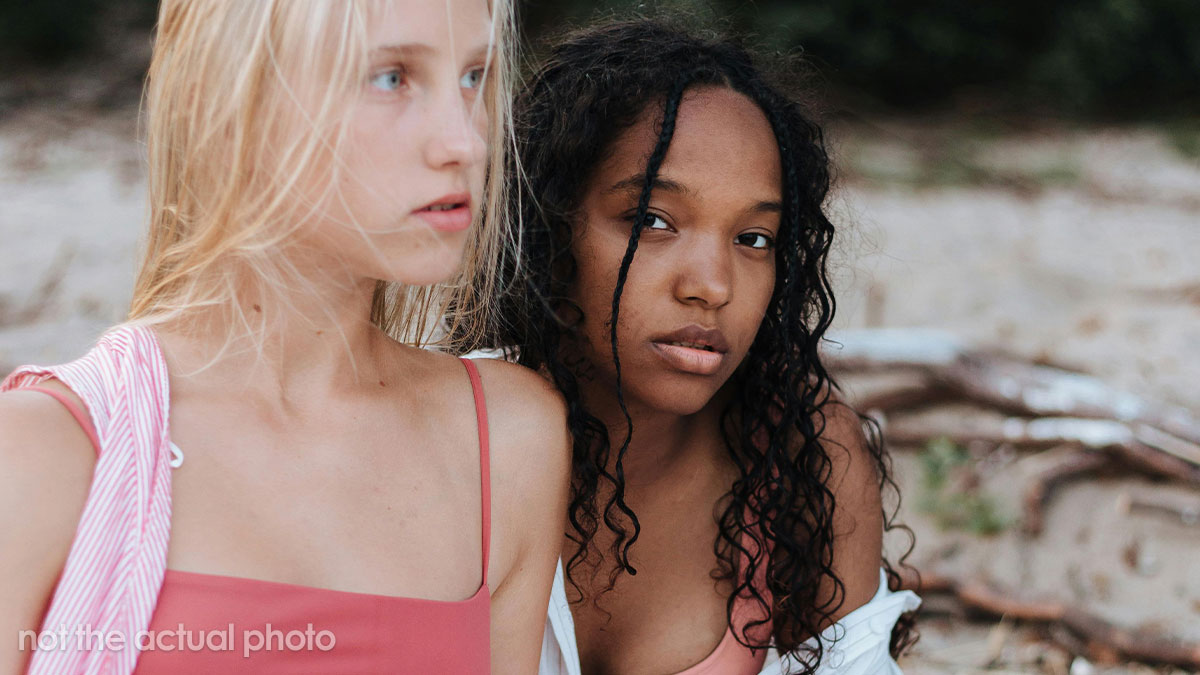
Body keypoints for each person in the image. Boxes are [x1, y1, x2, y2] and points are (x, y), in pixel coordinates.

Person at [0, 1, 568, 673]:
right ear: (236, 97)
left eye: (475, 76)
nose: (467, 141)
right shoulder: (46, 453)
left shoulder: (506, 440)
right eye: (392, 78)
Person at [469, 19, 921, 675]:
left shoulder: (801, 455)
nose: (712, 286)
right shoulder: (453, 441)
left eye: (754, 238)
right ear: (551, 224)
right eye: (653, 220)